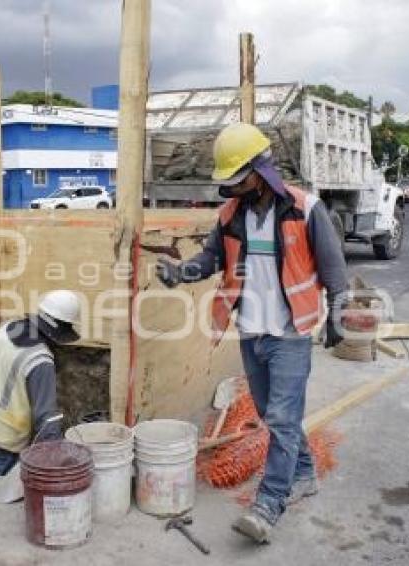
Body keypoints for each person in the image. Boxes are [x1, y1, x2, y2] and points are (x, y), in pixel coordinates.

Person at [156, 122, 348, 543]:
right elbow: (211, 259)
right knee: (271, 414)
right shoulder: (230, 216)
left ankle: (269, 503)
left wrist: (338, 311)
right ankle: (302, 474)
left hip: (290, 333)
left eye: (237, 178)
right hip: (251, 332)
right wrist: (180, 273)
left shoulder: (305, 209)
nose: (233, 188)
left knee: (281, 419)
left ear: (260, 170)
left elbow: (334, 267)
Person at [0, 290, 82, 475]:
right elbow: (47, 421)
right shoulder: (40, 360)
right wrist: (55, 462)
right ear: (61, 330)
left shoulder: (7, 327)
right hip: (5, 437)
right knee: (7, 494)